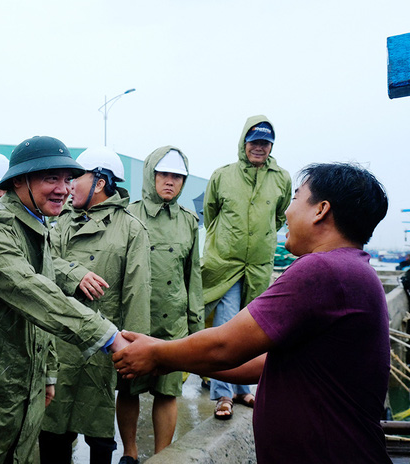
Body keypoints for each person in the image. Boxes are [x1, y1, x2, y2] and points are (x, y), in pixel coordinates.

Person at [114, 163, 391, 463]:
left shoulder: (322, 269)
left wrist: (156, 355)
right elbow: (259, 363)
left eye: (296, 198)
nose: (286, 212)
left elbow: (225, 346)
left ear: (320, 210)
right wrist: (170, 357)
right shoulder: (353, 270)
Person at [0, 136, 130, 464]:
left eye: (67, 179)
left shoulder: (36, 227)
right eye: (50, 178)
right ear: (20, 181)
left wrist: (47, 375)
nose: (63, 189)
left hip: (25, 383)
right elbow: (36, 294)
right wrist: (108, 336)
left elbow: (41, 310)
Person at [39, 146, 151, 464]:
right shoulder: (61, 223)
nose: (68, 186)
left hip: (102, 348)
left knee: (99, 434)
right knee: (53, 430)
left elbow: (137, 294)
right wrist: (74, 274)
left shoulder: (131, 229)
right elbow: (43, 270)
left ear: (100, 183)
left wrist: (135, 351)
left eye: (77, 178)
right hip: (58, 345)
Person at [201, 115, 291, 419]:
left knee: (254, 331)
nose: (259, 147)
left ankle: (244, 389)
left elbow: (280, 217)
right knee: (225, 328)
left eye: (265, 142)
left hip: (258, 267)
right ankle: (222, 395)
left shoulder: (281, 178)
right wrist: (228, 241)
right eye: (254, 141)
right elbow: (210, 214)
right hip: (225, 265)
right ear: (244, 142)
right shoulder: (222, 176)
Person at [121, 147, 204, 462]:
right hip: (135, 316)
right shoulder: (129, 214)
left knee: (168, 392)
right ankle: (129, 453)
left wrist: (196, 329)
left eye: (177, 176)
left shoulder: (188, 221)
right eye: (164, 174)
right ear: (151, 175)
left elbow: (192, 278)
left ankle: (161, 455)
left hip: (173, 322)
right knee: (128, 389)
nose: (170, 182)